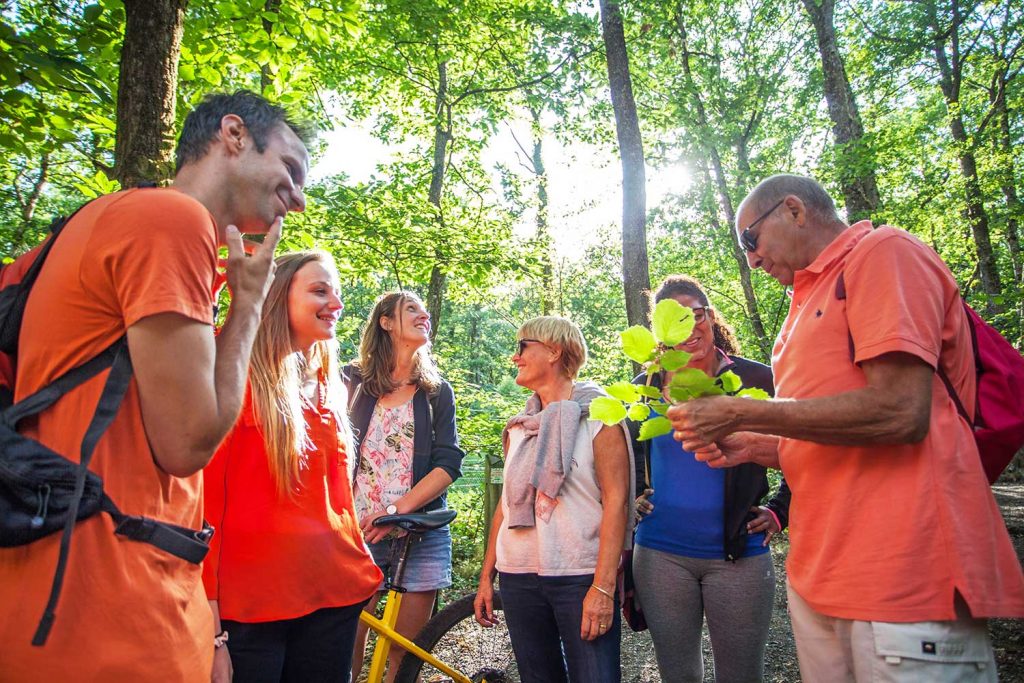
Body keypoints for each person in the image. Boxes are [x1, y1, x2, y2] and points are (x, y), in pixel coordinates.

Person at [0, 90, 309, 680]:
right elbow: (186, 443)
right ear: (234, 134)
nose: (296, 199)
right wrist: (248, 303)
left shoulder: (101, 222)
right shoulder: (170, 218)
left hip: (62, 592)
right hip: (108, 613)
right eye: (291, 171)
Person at [669, 174, 1024, 681]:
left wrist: (743, 411)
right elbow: (834, 434)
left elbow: (900, 411)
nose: (751, 258)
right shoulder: (798, 308)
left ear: (794, 210)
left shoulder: (881, 254)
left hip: (903, 572)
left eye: (751, 239)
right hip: (823, 577)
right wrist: (757, 446)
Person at [203, 251, 382, 683]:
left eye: (336, 293)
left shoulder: (331, 383)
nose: (336, 304)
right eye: (319, 291)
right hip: (247, 612)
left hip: (333, 597)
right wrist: (210, 634)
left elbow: (337, 492)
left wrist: (358, 558)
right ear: (277, 296)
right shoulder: (229, 372)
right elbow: (200, 511)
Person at [631, 274, 791, 683]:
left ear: (710, 316)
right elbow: (627, 454)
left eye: (696, 314)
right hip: (660, 554)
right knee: (678, 675)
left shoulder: (757, 380)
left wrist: (779, 511)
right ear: (661, 333)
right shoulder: (645, 387)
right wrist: (634, 495)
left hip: (738, 556)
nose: (690, 326)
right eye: (676, 319)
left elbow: (805, 444)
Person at [475, 316, 633, 683]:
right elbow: (505, 507)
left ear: (553, 350)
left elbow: (617, 504)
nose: (515, 357)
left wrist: (603, 587)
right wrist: (487, 576)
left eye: (522, 347)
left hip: (578, 576)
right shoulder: (519, 428)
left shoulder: (600, 418)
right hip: (518, 577)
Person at [346, 291, 465, 682]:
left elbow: (448, 464)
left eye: (423, 309)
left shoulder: (435, 392)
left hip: (421, 533)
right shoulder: (352, 383)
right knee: (347, 636)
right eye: (411, 308)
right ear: (385, 321)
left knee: (404, 649)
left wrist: (396, 512)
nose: (424, 314)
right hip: (356, 533)